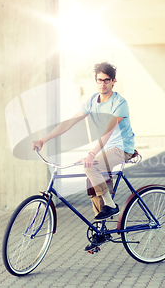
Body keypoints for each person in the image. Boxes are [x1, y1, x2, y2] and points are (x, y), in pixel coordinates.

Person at [33, 62, 135, 251]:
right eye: (99, 80)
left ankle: (111, 206)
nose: (102, 84)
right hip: (105, 150)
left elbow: (108, 131)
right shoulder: (92, 101)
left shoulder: (119, 103)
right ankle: (100, 232)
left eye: (106, 80)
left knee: (90, 166)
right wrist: (44, 140)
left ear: (113, 81)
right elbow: (69, 123)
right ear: (95, 81)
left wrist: (91, 154)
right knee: (93, 183)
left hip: (122, 148)